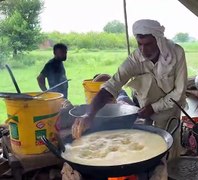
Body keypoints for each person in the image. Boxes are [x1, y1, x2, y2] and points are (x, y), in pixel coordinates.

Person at [72, 19, 187, 158]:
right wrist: (89, 115)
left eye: (148, 44)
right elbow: (112, 85)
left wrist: (154, 107)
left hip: (171, 111)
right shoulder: (135, 59)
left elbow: (179, 93)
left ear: (158, 40)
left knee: (170, 150)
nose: (143, 50)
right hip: (147, 112)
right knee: (150, 150)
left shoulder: (176, 53)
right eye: (139, 44)